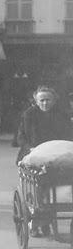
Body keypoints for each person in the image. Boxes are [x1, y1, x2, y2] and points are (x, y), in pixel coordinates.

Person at [16, 86, 72, 237]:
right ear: (36, 101)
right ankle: (37, 221)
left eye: (48, 100)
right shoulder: (29, 115)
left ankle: (47, 218)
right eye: (42, 100)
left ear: (54, 101)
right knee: (36, 185)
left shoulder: (62, 115)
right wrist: (31, 148)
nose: (45, 103)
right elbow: (20, 138)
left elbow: (69, 135)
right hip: (34, 155)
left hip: (56, 156)